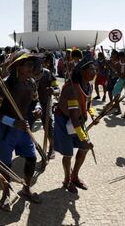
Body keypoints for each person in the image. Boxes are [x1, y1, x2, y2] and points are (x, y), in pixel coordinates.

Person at [0, 50, 42, 211]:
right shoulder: (4, 85)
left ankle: (26, 188)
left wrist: (38, 109)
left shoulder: (31, 83)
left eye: (32, 64)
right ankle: (5, 194)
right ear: (18, 66)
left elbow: (36, 101)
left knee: (31, 158)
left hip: (24, 128)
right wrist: (13, 122)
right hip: (6, 130)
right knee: (5, 164)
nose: (31, 67)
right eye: (27, 64)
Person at [54, 56, 96, 193]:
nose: (94, 72)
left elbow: (88, 105)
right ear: (82, 72)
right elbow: (73, 118)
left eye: (94, 68)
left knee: (84, 149)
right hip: (65, 120)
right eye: (91, 69)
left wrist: (93, 114)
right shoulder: (72, 89)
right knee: (68, 153)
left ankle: (75, 176)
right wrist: (83, 137)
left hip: (78, 120)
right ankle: (67, 180)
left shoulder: (89, 86)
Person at [33, 52, 60, 159]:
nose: (35, 68)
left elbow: (57, 89)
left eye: (38, 65)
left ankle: (52, 148)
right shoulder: (27, 75)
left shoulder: (48, 74)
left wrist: (53, 91)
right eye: (33, 66)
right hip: (31, 104)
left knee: (48, 127)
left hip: (45, 103)